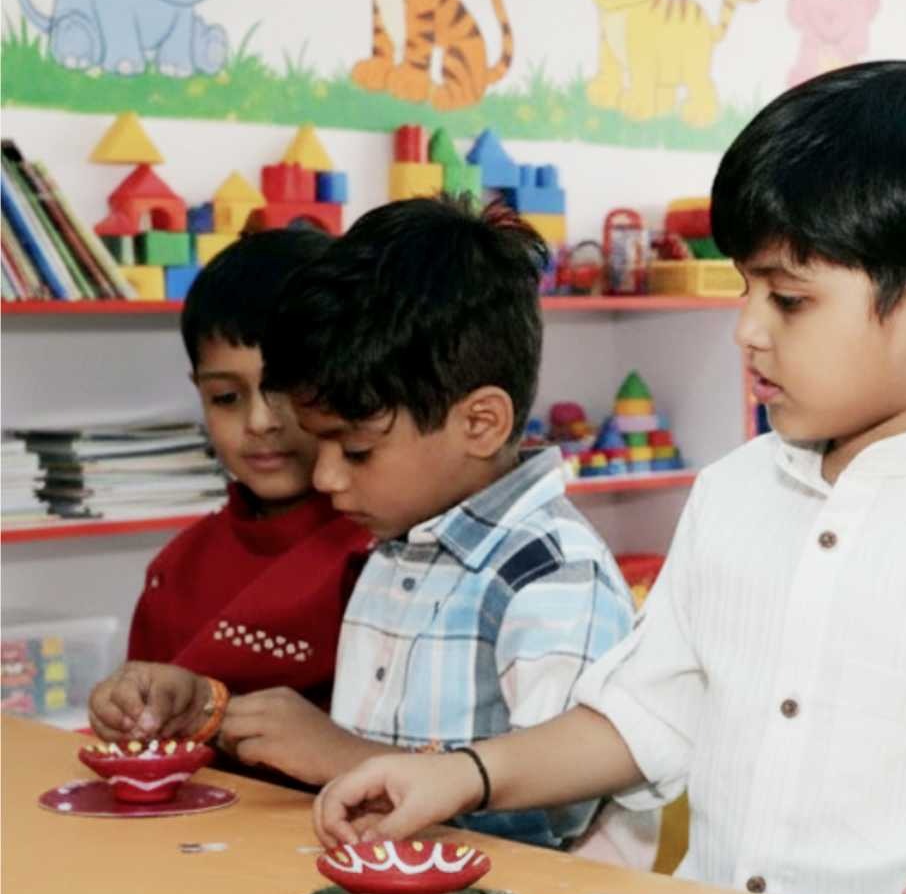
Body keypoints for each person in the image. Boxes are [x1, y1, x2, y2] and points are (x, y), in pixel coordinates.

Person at [313, 62, 906, 894]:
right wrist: (463, 775)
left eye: (787, 299)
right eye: (744, 290)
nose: (746, 328)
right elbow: (642, 718)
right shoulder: (733, 493)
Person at [234, 196, 635, 848]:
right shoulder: (400, 540)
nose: (326, 478)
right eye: (318, 444)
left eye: (355, 450)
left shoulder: (554, 578)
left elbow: (562, 812)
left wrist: (342, 757)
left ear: (480, 423)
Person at [88, 230, 371, 746]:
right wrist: (124, 710)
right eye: (225, 397)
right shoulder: (176, 568)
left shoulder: (385, 550)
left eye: (287, 389)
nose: (260, 421)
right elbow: (145, 749)